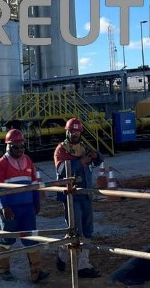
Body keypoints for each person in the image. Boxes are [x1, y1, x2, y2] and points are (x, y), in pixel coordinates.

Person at [0, 129, 49, 283]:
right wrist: (4, 206)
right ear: (8, 146)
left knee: (31, 238)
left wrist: (36, 202)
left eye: (22, 145)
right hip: (10, 208)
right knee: (7, 240)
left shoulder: (28, 161)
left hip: (27, 208)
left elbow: (34, 183)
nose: (20, 149)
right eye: (16, 146)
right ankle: (4, 270)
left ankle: (36, 271)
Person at [53, 117, 102, 278]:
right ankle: (64, 253)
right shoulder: (61, 149)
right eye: (72, 131)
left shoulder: (82, 147)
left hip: (85, 194)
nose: (75, 134)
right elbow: (61, 170)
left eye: (77, 131)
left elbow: (99, 159)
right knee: (76, 230)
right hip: (71, 196)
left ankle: (82, 264)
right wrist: (81, 162)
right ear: (67, 132)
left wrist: (95, 155)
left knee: (87, 230)